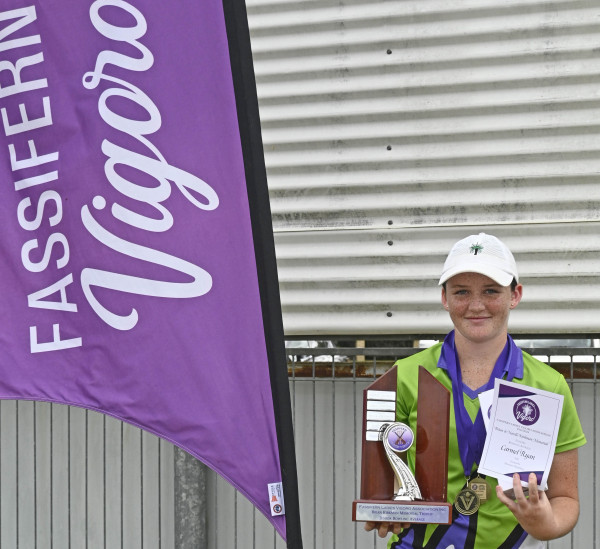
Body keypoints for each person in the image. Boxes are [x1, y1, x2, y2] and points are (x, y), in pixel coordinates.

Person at [364, 232, 586, 548]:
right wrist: (384, 507)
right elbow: (385, 478)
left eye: (491, 291)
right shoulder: (405, 375)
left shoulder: (548, 385)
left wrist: (545, 523)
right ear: (444, 298)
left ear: (515, 295)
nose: (476, 305)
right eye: (461, 292)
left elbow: (565, 498)